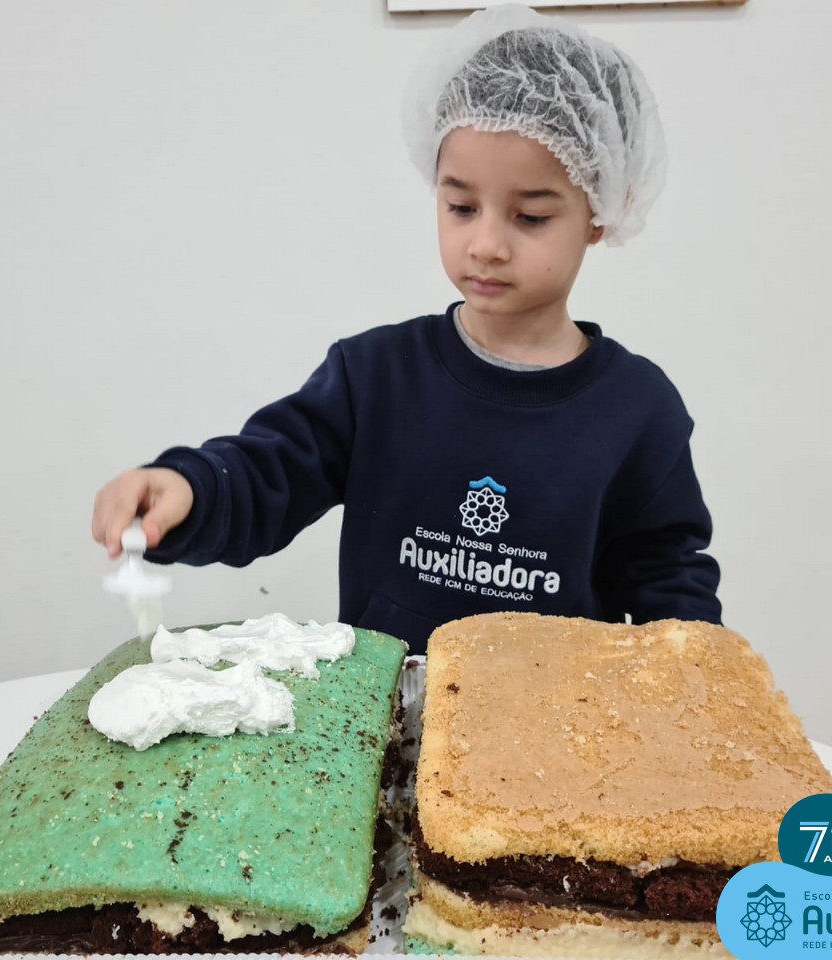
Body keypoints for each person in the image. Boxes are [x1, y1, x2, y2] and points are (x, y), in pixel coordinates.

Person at [91, 3, 721, 652]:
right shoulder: (374, 377)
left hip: (553, 716)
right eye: (461, 206)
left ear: (603, 210)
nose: (485, 244)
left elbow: (669, 582)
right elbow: (267, 473)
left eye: (530, 216)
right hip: (384, 710)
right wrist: (190, 489)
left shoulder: (638, 411)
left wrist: (698, 672)